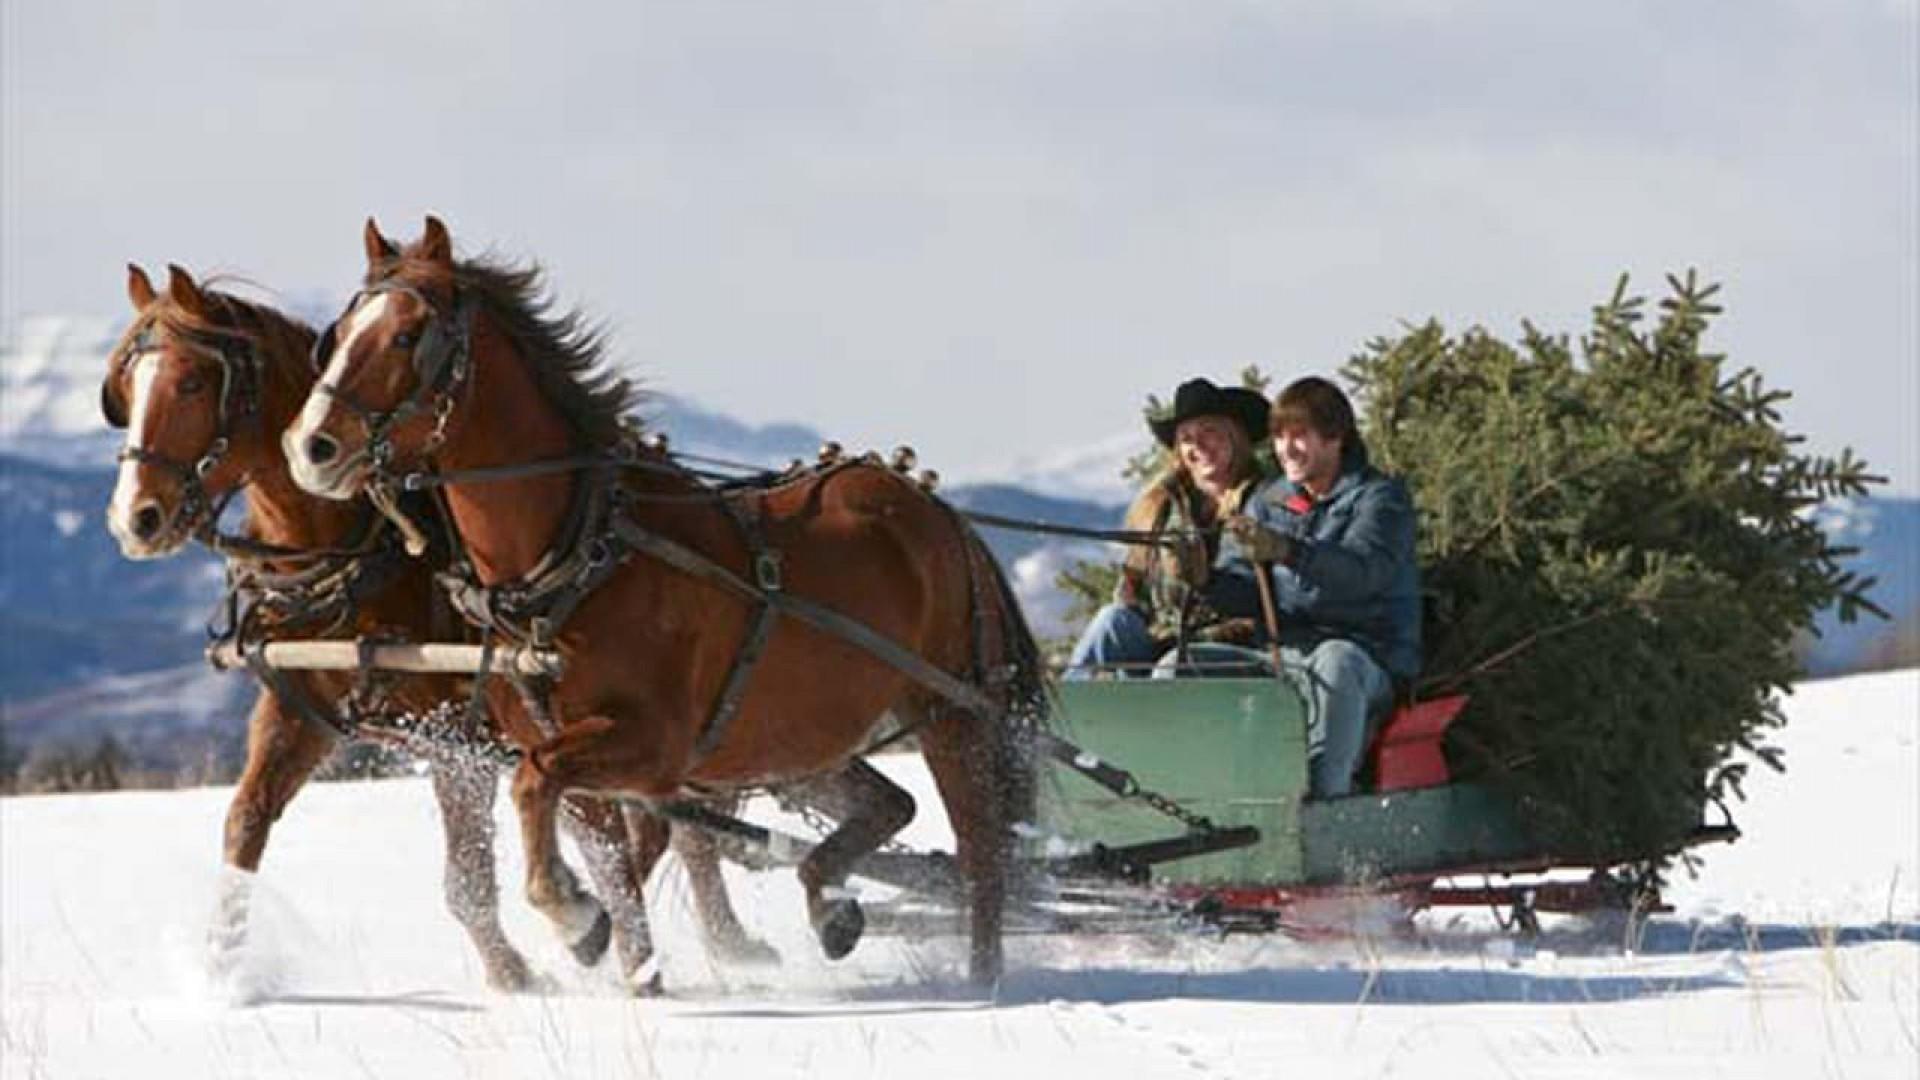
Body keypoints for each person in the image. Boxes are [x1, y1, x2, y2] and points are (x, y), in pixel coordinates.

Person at [1222, 376, 1422, 799]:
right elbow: (1245, 589)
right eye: (1278, 436)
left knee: (1336, 661)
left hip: (1367, 657)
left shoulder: (1380, 499)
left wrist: (1287, 550)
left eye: (1300, 436)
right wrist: (1201, 577)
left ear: (1335, 438)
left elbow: (1364, 573)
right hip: (1285, 652)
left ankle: (1325, 804)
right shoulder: (1268, 500)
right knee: (1183, 663)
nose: (1286, 449)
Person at [1064, 377, 1274, 678]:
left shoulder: (1266, 501)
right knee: (1112, 621)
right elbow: (1135, 583)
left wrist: (1204, 579)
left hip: (1238, 651)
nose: (1197, 445)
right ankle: (1059, 714)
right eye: (1186, 438)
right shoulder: (1161, 507)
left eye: (1208, 432)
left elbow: (1272, 598)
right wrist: (1129, 595)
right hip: (1163, 641)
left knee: (1171, 666)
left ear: (1235, 436)